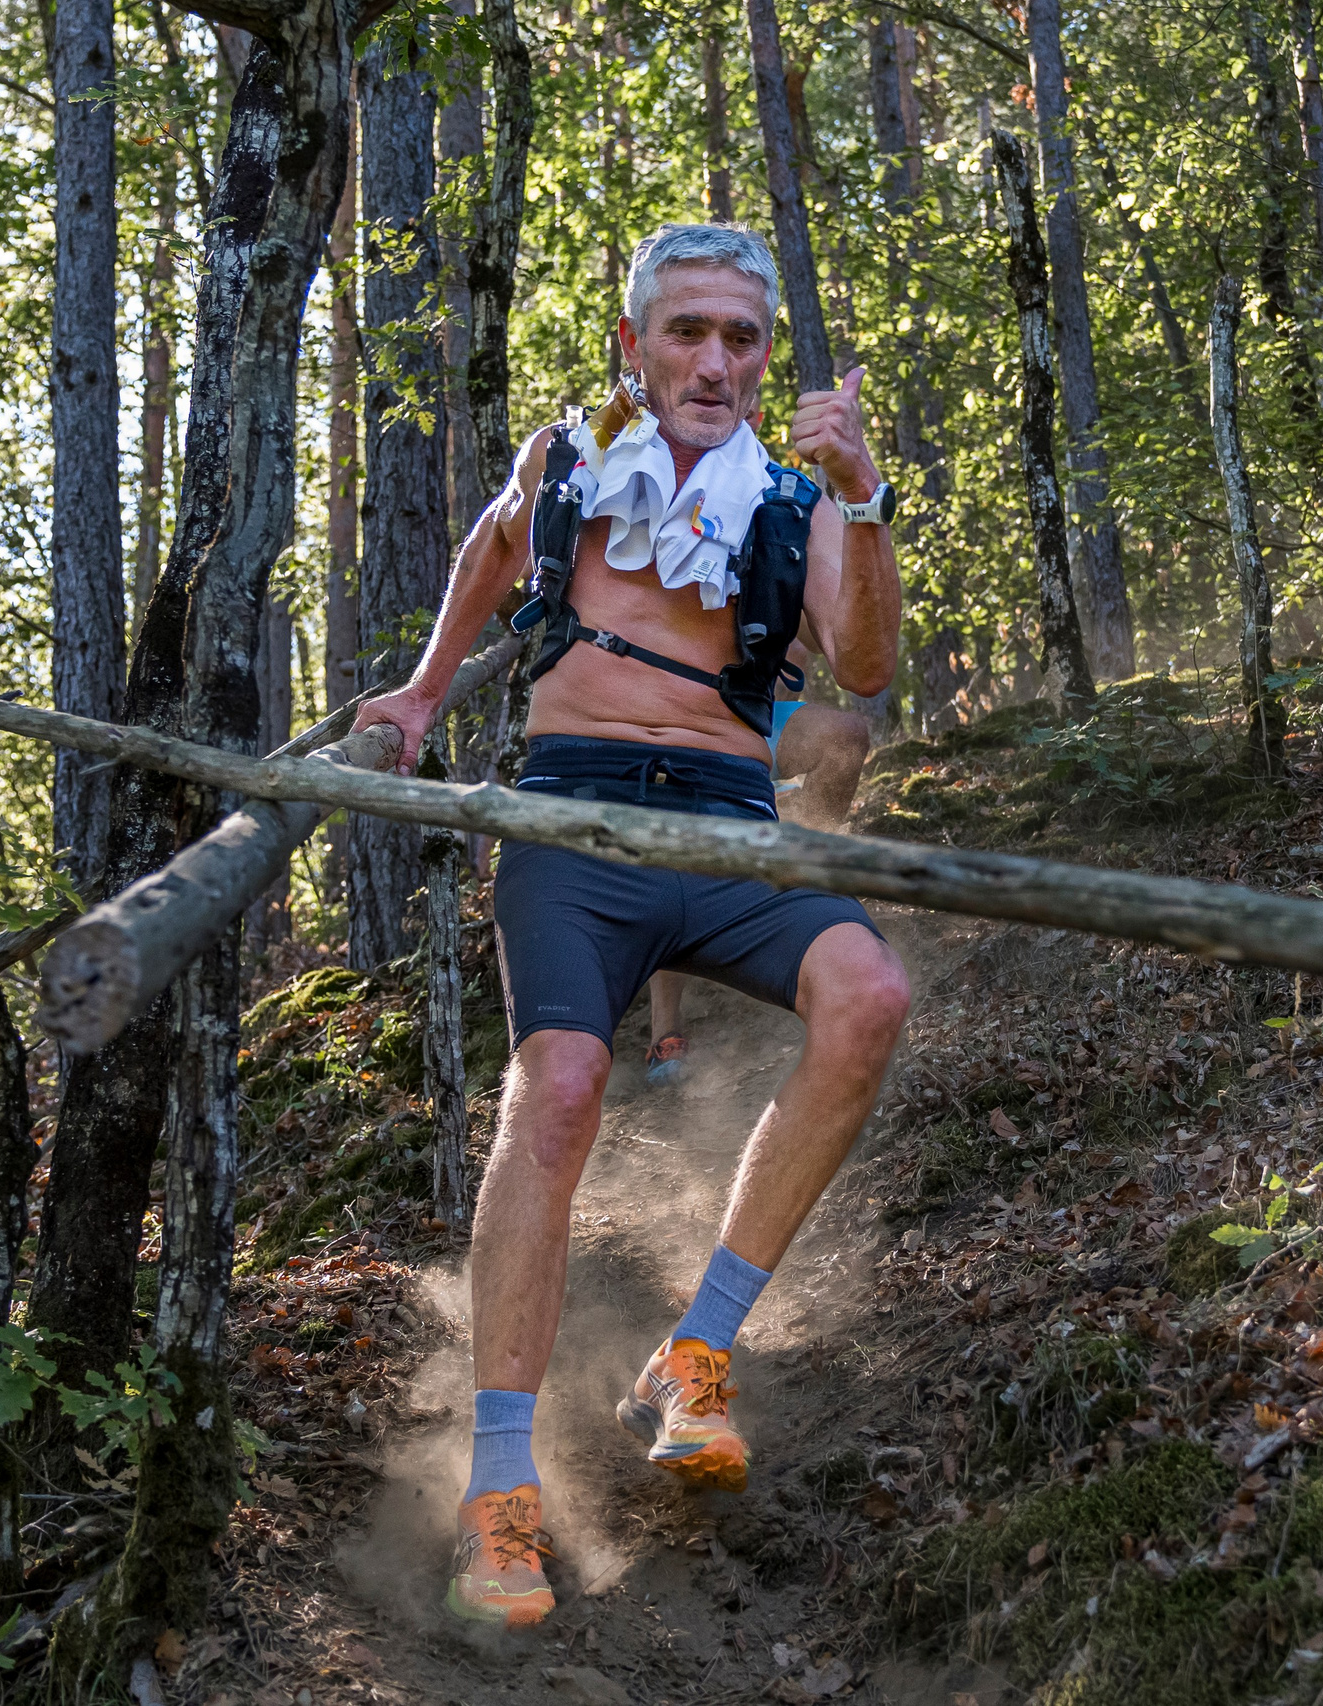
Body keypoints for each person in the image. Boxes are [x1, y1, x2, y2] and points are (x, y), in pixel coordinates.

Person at [349, 222, 910, 1628]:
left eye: (742, 338)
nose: (716, 361)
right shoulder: (571, 465)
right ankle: (498, 1488)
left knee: (870, 999)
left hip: (729, 821)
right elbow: (488, 550)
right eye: (689, 332)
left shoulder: (799, 498)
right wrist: (420, 695)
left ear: (764, 357)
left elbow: (868, 661)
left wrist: (868, 491)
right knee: (565, 1085)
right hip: (573, 816)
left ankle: (695, 1353)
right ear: (634, 344)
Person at [644, 651, 872, 1089]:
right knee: (678, 853)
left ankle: (802, 886)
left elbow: (808, 648)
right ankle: (663, 1032)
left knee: (843, 736)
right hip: (670, 724)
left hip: (750, 715)